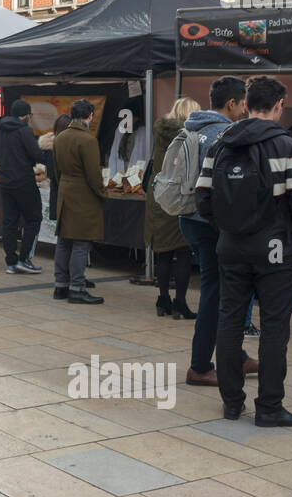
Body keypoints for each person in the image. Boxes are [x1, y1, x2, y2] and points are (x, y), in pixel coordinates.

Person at [196, 75, 292, 426]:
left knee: (230, 321)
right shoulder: (289, 146)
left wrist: (226, 226)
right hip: (276, 249)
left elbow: (203, 198)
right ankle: (269, 407)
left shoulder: (220, 145)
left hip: (231, 246)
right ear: (279, 105)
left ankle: (232, 403)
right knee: (275, 327)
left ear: (246, 105)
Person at [178, 77, 253, 386]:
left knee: (219, 290)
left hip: (190, 218)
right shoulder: (223, 134)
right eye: (243, 103)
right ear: (232, 103)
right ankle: (200, 365)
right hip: (211, 223)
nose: (246, 109)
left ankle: (235, 355)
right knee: (218, 293)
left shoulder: (191, 127)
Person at [146, 97, 200, 318]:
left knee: (163, 253)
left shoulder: (160, 132)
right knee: (183, 252)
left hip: (159, 196)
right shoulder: (190, 136)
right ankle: (180, 303)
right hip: (182, 196)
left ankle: (162, 299)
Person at [52, 99, 106, 304]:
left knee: (64, 242)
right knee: (81, 244)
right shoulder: (88, 140)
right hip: (84, 196)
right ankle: (77, 288)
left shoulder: (60, 138)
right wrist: (102, 194)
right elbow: (94, 174)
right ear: (90, 116)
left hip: (65, 193)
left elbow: (56, 171)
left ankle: (61, 286)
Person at [0, 99, 48, 274]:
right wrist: (45, 152)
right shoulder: (24, 130)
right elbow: (36, 154)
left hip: (5, 181)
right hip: (24, 181)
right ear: (26, 115)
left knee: (9, 221)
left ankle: (11, 261)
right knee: (34, 219)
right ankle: (24, 259)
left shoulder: (0, 129)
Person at [43, 114, 71, 224]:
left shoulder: (50, 146)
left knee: (62, 232)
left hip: (57, 194)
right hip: (66, 194)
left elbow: (50, 173)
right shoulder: (65, 146)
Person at [108, 111, 149, 177]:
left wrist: (140, 179)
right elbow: (113, 156)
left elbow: (147, 159)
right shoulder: (119, 131)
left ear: (134, 118)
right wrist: (112, 178)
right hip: (120, 178)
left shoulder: (144, 132)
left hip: (136, 180)